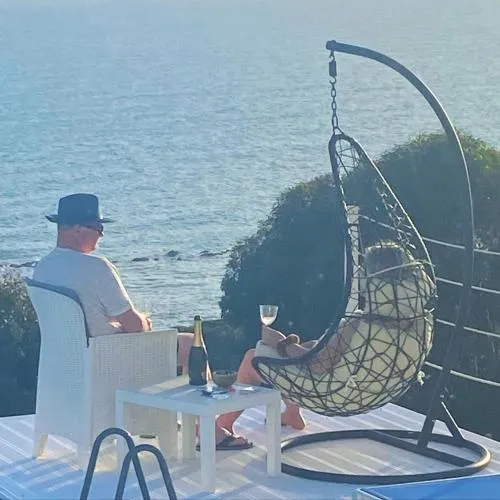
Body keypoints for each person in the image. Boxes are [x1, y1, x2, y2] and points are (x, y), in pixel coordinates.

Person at [215, 241, 435, 448]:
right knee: (312, 344)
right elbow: (334, 355)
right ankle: (292, 413)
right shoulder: (419, 321)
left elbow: (318, 365)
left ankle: (222, 426)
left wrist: (281, 342)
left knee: (252, 358)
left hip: (335, 393)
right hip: (376, 388)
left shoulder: (362, 325)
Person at [33, 193, 193, 372]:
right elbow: (135, 327)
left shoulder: (42, 268)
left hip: (65, 363)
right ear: (77, 230)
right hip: (106, 360)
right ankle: (204, 390)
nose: (101, 234)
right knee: (190, 345)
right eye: (98, 227)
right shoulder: (96, 267)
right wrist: (144, 322)